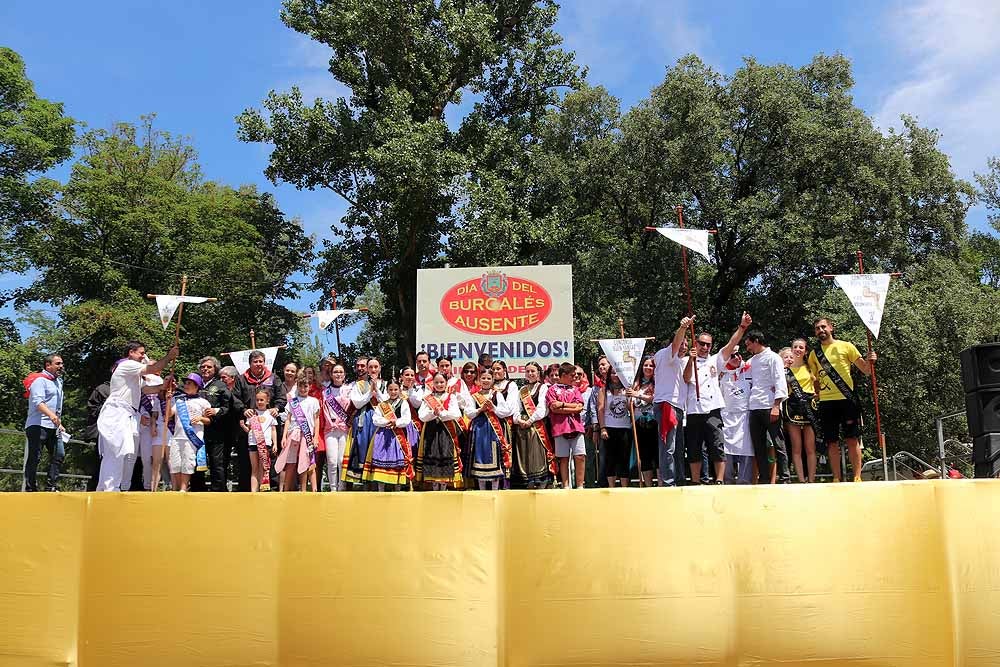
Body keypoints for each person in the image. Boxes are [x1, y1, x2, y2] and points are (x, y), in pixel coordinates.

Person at [97, 342, 178, 491]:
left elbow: (145, 390)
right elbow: (154, 368)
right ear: (131, 352)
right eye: (141, 353)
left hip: (127, 413)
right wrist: (169, 357)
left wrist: (162, 386)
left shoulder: (134, 375)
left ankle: (109, 488)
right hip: (118, 411)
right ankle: (109, 489)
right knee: (116, 452)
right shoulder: (127, 365)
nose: (143, 356)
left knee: (122, 453)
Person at [806, 317, 876, 482]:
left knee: (852, 438)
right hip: (826, 403)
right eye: (817, 328)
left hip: (847, 399)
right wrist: (817, 394)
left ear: (831, 327)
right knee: (831, 442)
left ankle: (857, 477)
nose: (821, 330)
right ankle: (836, 478)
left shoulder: (846, 346)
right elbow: (814, 379)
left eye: (823, 326)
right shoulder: (813, 355)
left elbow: (865, 370)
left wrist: (871, 360)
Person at [682, 314, 750, 485]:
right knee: (694, 447)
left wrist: (742, 327)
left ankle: (719, 480)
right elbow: (686, 377)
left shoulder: (715, 360)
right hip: (694, 410)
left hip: (712, 408)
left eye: (708, 344)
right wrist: (692, 359)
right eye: (702, 344)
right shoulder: (685, 360)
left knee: (717, 444)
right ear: (695, 344)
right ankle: (696, 481)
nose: (705, 347)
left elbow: (731, 344)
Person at [744, 329, 790, 484]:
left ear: (756, 341)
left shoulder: (773, 357)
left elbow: (780, 381)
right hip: (754, 407)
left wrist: (776, 405)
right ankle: (763, 478)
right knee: (758, 446)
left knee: (778, 443)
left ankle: (784, 477)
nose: (748, 348)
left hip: (770, 406)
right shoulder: (751, 361)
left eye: (749, 344)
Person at [653, 317, 693, 486]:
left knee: (677, 447)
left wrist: (691, 359)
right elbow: (675, 345)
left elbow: (687, 378)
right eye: (682, 343)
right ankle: (669, 482)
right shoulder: (665, 354)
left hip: (678, 406)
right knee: (668, 447)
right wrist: (683, 327)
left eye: (687, 344)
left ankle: (679, 478)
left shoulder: (680, 361)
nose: (684, 346)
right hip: (666, 404)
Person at [464, 369, 514, 490]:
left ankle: (495, 489)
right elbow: (468, 413)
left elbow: (505, 412)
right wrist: (480, 410)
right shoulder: (474, 396)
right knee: (480, 456)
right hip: (479, 430)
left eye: (488, 378)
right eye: (483, 378)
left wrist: (493, 408)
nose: (486, 381)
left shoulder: (498, 395)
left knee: (494, 455)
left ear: (492, 380)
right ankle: (482, 490)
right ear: (479, 380)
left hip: (493, 430)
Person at [343, 357, 388, 488]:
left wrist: (377, 390)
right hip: (365, 419)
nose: (373, 370)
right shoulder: (359, 385)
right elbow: (357, 403)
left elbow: (387, 402)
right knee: (363, 447)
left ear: (380, 368)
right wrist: (370, 392)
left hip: (380, 420)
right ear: (367, 369)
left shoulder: (386, 384)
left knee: (378, 449)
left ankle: (379, 484)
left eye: (376, 367)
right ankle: (363, 484)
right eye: (371, 367)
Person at [22, 354, 65, 492]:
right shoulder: (39, 380)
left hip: (54, 425)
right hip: (37, 425)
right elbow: (38, 402)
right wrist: (52, 416)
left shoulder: (59, 382)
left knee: (59, 454)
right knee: (35, 456)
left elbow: (57, 406)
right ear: (48, 365)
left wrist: (59, 422)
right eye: (58, 363)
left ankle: (51, 486)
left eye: (61, 363)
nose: (61, 366)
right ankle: (31, 488)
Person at [365, 378, 417, 490]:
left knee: (397, 462)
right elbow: (375, 419)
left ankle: (397, 489)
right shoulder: (382, 405)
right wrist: (387, 422)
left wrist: (396, 422)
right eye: (391, 389)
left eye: (395, 389)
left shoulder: (404, 403)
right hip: (383, 436)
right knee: (381, 460)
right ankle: (381, 489)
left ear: (399, 390)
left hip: (398, 437)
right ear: (387, 391)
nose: (393, 392)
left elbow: (407, 419)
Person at [416, 372, 464, 491]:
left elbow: (456, 414)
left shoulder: (450, 396)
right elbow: (421, 416)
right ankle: (434, 487)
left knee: (445, 454)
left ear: (446, 383)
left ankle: (443, 487)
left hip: (446, 431)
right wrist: (433, 413)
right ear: (432, 383)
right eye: (436, 382)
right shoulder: (428, 398)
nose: (439, 384)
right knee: (432, 454)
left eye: (442, 382)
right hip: (431, 430)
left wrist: (441, 414)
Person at [165, 373, 213, 492]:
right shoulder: (179, 400)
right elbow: (168, 416)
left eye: (189, 383)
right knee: (175, 463)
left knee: (188, 462)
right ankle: (176, 487)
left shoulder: (204, 402)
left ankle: (183, 487)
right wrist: (168, 401)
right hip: (177, 436)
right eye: (186, 383)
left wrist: (201, 419)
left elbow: (209, 421)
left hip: (192, 437)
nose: (186, 385)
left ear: (197, 386)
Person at [511, 361, 555, 489]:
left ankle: (541, 479)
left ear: (538, 373)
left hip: (536, 424)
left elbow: (542, 408)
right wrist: (519, 420)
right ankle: (527, 480)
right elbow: (516, 409)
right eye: (528, 371)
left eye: (533, 371)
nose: (530, 374)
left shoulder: (543, 388)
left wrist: (530, 421)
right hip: (522, 425)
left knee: (537, 452)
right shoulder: (522, 390)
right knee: (524, 452)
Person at [276, 371, 321, 492]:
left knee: (307, 461)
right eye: (300, 386)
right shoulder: (293, 402)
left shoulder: (314, 401)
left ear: (310, 386)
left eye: (305, 386)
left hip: (307, 435)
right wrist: (284, 436)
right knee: (290, 462)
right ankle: (286, 490)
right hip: (293, 433)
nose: (303, 389)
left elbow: (317, 420)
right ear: (297, 387)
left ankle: (305, 490)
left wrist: (316, 437)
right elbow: (288, 420)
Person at [782, 339, 818, 483]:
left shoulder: (810, 366)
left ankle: (812, 479)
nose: (798, 349)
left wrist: (817, 395)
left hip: (809, 405)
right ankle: (802, 480)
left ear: (805, 350)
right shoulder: (784, 369)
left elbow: (818, 383)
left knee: (810, 447)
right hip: (792, 405)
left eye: (801, 347)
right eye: (795, 347)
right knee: (796, 447)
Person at [546, 363, 586, 489]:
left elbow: (579, 407)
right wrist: (571, 407)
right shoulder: (552, 389)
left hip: (576, 427)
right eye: (572, 375)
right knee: (563, 458)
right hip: (559, 427)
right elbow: (553, 408)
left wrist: (562, 404)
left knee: (580, 456)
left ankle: (580, 485)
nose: (575, 378)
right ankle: (565, 485)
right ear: (564, 375)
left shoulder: (575, 390)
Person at [195, 356, 232, 492]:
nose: (205, 369)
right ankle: (197, 489)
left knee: (217, 462)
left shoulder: (221, 385)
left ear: (215, 369)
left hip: (216, 431)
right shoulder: (194, 384)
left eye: (209, 367)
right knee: (196, 461)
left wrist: (216, 411)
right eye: (203, 366)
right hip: (196, 431)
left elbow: (228, 407)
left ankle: (219, 491)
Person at [597, 366, 633, 488]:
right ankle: (611, 487)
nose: (615, 376)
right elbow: (600, 410)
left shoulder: (627, 389)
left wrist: (630, 397)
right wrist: (602, 428)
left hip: (625, 428)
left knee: (624, 458)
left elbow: (630, 408)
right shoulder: (603, 390)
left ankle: (624, 487)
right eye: (612, 373)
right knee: (610, 458)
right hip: (609, 428)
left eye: (618, 373)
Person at [319, 361, 351, 491]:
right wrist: (331, 422)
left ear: (344, 375)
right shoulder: (325, 392)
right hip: (330, 428)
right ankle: (333, 489)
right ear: (331, 375)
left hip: (344, 429)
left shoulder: (350, 389)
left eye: (340, 372)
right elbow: (324, 410)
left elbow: (352, 408)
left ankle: (341, 488)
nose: (338, 374)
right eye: (335, 372)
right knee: (331, 461)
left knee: (341, 460)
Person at [627, 356, 658, 487]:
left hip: (654, 421)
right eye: (646, 365)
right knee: (644, 455)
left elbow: (655, 399)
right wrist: (629, 398)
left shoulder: (658, 382)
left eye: (651, 366)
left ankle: (661, 483)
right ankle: (648, 484)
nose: (648, 368)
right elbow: (630, 405)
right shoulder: (635, 384)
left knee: (656, 453)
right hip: (639, 422)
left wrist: (637, 395)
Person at [241, 389, 278, 492]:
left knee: (264, 468)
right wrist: (243, 426)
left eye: (262, 400)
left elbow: (273, 430)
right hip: (253, 442)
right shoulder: (252, 413)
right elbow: (249, 429)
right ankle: (254, 491)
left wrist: (275, 443)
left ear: (267, 401)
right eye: (257, 400)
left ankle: (263, 490)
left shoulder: (270, 414)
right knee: (254, 468)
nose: (259, 402)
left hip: (266, 443)